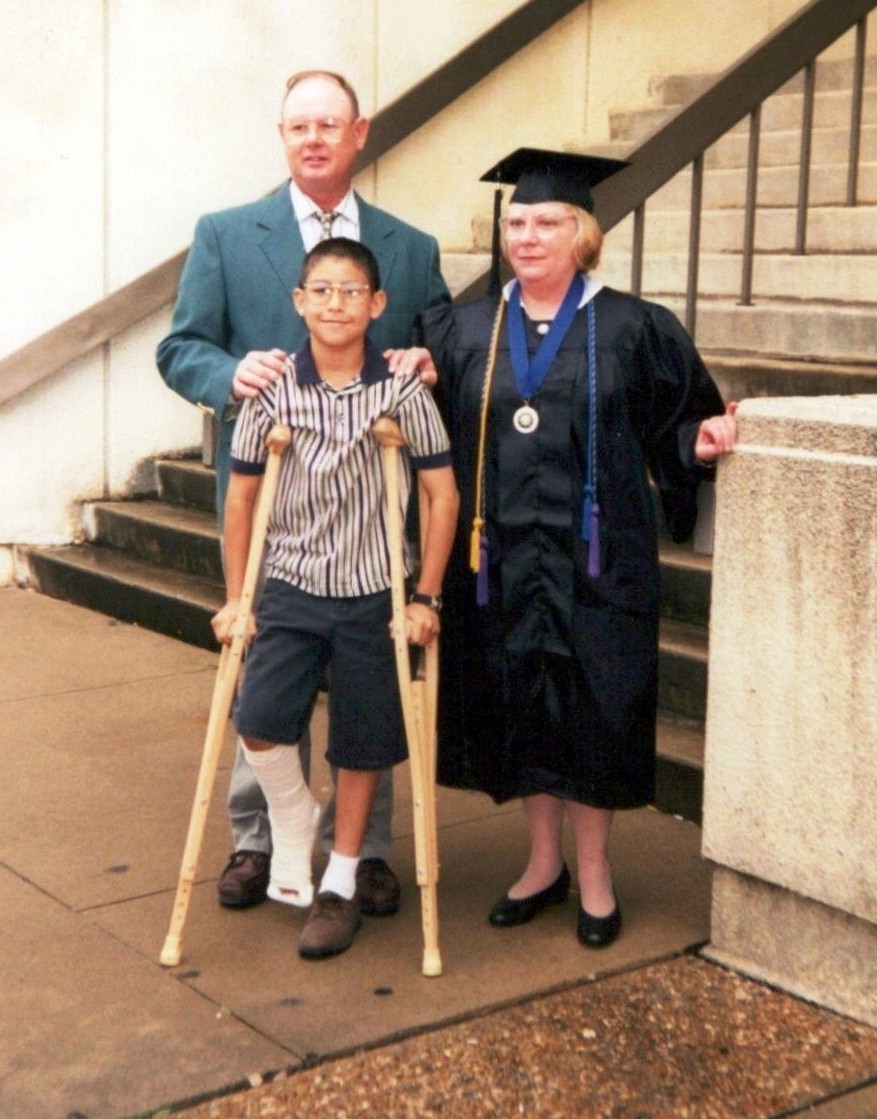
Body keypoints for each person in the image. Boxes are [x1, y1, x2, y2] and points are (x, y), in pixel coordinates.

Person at [410, 148, 738, 949]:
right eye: (516, 223)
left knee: (594, 710)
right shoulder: (462, 329)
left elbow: (678, 420)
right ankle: (541, 862)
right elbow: (428, 431)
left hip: (600, 563)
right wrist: (409, 379)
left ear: (581, 234)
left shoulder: (634, 326)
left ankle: (594, 873)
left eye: (547, 222)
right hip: (499, 563)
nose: (526, 237)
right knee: (522, 704)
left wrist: (700, 441)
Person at [157, 70, 450, 916]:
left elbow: (438, 343)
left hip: (365, 516)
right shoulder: (224, 233)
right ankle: (261, 838)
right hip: (272, 505)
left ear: (359, 133)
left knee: (370, 686)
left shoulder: (408, 246)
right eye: (298, 126)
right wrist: (228, 373)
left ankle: (366, 852)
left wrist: (429, 360)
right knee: (265, 676)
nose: (313, 138)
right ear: (281, 136)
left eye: (329, 124)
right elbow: (181, 347)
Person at [212, 237, 458, 958]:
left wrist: (426, 597)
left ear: (376, 304)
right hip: (290, 585)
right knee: (258, 718)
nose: (335, 304)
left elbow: (441, 494)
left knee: (361, 740)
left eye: (351, 292)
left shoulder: (402, 392)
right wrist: (237, 597)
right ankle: (293, 817)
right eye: (321, 290)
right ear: (299, 301)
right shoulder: (271, 392)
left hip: (373, 592)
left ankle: (341, 881)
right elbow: (241, 499)